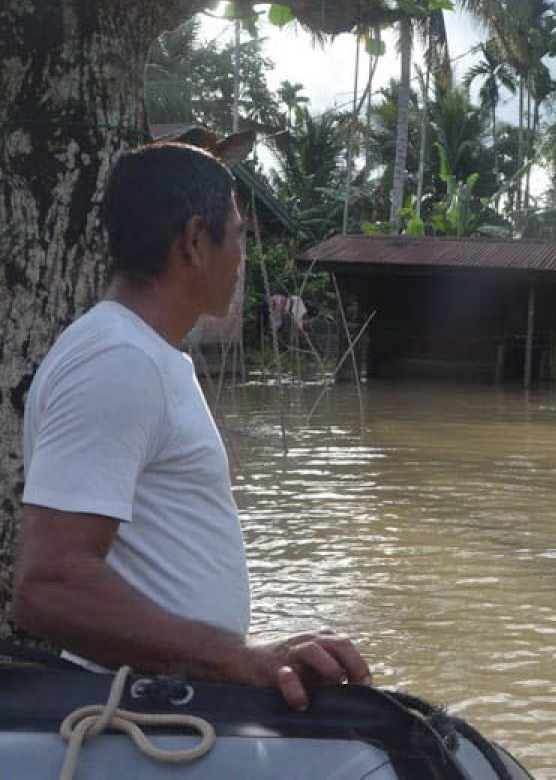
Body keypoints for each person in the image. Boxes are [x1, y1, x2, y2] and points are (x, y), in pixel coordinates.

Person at [13, 143, 370, 711]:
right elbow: (48, 587)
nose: (243, 257)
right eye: (240, 236)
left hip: (175, 699)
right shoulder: (117, 361)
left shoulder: (147, 356)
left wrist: (245, 656)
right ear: (196, 241)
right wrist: (238, 658)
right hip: (141, 715)